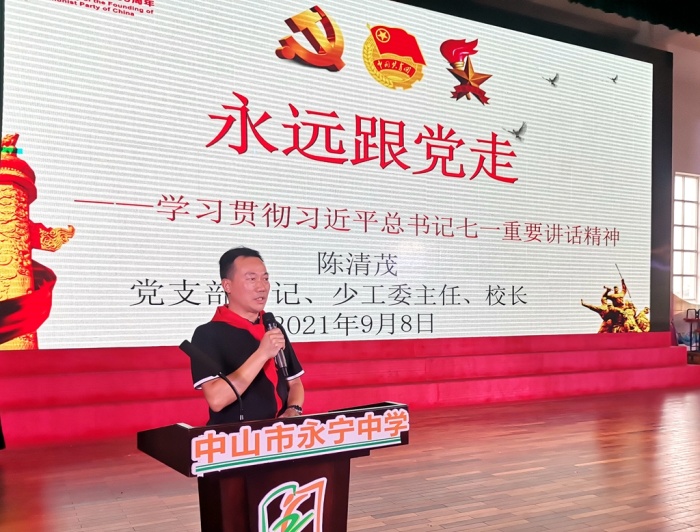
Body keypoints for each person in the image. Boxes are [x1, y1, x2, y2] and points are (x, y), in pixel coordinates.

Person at [189, 246, 304, 425]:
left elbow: (294, 382)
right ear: (227, 285)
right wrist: (262, 353)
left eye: (265, 278)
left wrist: (294, 409)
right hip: (233, 436)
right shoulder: (207, 334)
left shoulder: (272, 327)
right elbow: (217, 400)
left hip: (280, 434)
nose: (262, 287)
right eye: (251, 279)